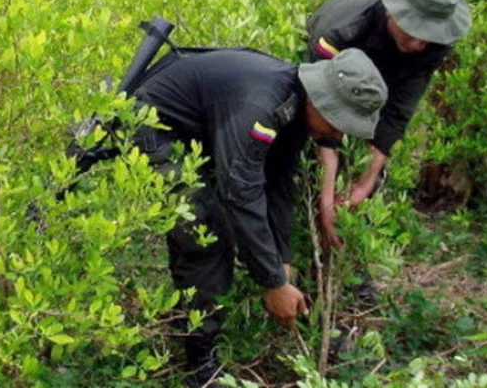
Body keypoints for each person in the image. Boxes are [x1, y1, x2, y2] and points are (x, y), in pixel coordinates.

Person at [130, 47, 387, 385]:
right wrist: (273, 282)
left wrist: (281, 259)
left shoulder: (295, 104)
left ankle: (189, 317)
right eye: (338, 123)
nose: (338, 136)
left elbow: (278, 182)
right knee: (207, 230)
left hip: (194, 134)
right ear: (321, 101)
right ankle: (199, 363)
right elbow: (240, 194)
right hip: (150, 127)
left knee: (219, 219)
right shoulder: (261, 106)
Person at [306, 0, 470, 248]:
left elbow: (398, 111)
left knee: (368, 179)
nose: (419, 46)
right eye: (413, 32)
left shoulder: (433, 44)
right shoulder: (342, 32)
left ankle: (351, 253)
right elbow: (324, 117)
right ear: (392, 12)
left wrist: (365, 182)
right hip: (333, 61)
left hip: (384, 72)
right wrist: (326, 197)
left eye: (427, 38)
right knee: (313, 153)